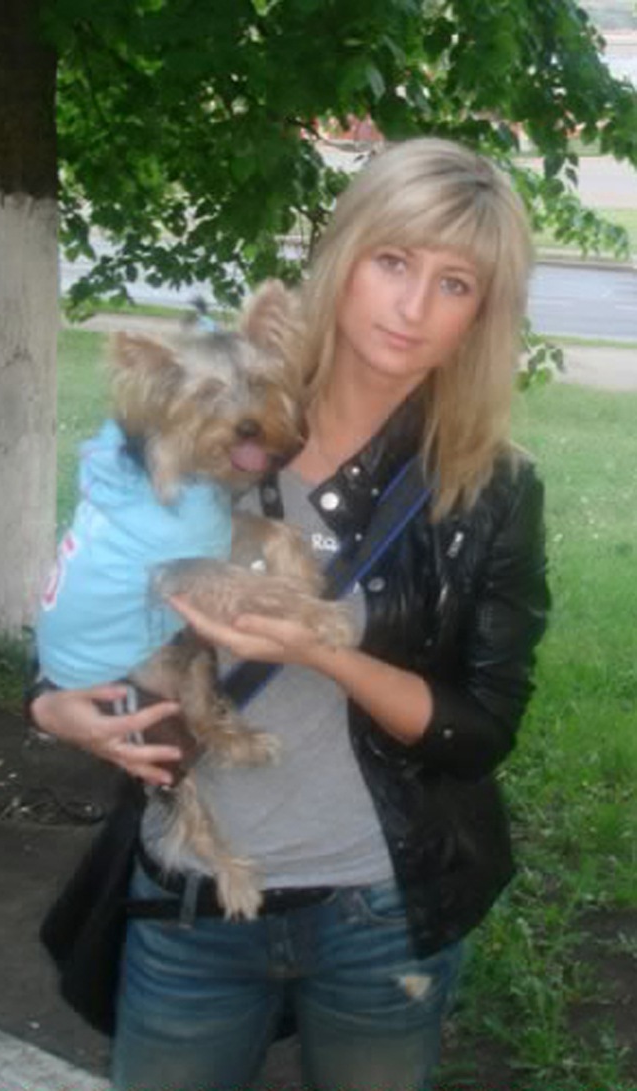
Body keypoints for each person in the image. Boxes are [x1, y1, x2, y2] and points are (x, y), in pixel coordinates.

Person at [31, 137, 550, 1091]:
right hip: (188, 898)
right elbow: (93, 580)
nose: (412, 307)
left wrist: (326, 649)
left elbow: (481, 728)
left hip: (378, 912)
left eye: (454, 284)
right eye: (393, 261)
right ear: (342, 255)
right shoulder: (206, 412)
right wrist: (51, 700)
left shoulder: (491, 488)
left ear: (482, 313)